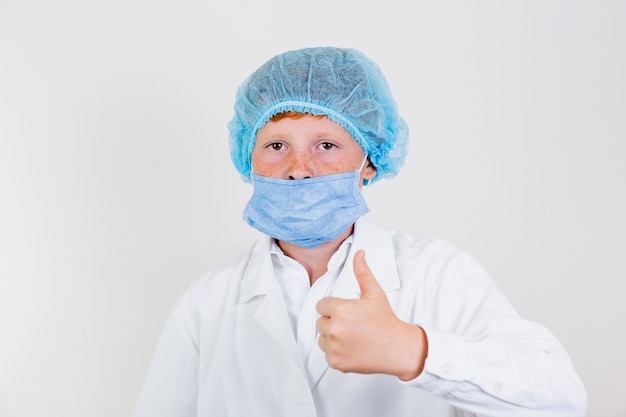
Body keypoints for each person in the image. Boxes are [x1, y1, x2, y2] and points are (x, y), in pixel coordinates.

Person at [133, 46, 587, 417]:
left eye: (326, 145)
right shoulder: (206, 302)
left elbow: (561, 400)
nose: (298, 170)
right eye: (275, 146)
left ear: (370, 161)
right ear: (246, 159)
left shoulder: (436, 275)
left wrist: (414, 351)